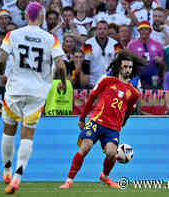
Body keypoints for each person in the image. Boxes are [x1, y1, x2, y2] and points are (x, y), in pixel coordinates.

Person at [0, 2, 67, 194]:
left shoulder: (14, 34)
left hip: (15, 89)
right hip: (37, 93)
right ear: (42, 17)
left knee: (8, 131)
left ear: (27, 16)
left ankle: (7, 171)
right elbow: (61, 66)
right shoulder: (50, 38)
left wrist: (2, 75)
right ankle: (18, 177)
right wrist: (62, 81)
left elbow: (1, 59)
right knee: (28, 135)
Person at [60, 49, 146, 189]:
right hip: (96, 121)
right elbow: (91, 98)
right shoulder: (106, 81)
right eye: (125, 66)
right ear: (119, 67)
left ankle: (105, 176)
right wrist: (82, 118)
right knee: (85, 148)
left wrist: (122, 123)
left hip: (112, 128)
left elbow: (128, 111)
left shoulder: (133, 92)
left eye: (130, 67)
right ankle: (69, 181)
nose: (128, 70)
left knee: (112, 154)